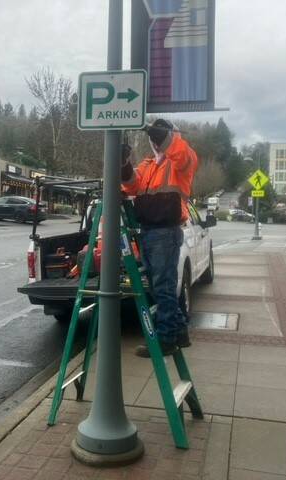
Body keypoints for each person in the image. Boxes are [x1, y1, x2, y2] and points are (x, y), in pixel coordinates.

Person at [121, 119, 198, 357]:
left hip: (165, 231)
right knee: (159, 286)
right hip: (149, 231)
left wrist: (158, 132)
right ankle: (180, 331)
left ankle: (166, 338)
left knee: (163, 287)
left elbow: (179, 151)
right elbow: (131, 187)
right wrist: (123, 164)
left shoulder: (182, 160)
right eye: (153, 138)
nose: (155, 142)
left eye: (159, 138)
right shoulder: (148, 165)